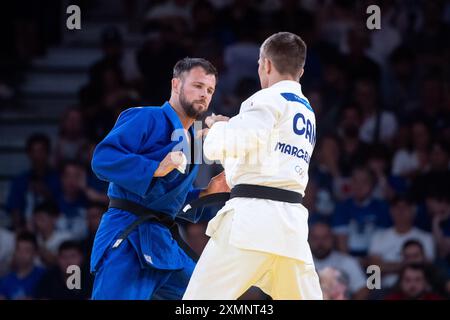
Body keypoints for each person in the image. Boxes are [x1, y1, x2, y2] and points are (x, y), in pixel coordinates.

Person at [183, 32, 323, 300]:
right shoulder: (306, 111)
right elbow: (256, 159)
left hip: (250, 225)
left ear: (266, 65)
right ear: (301, 71)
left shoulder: (265, 99)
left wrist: (217, 127)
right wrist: (232, 126)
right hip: (290, 228)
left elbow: (226, 145)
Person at [90, 57, 229, 299]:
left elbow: (166, 199)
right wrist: (154, 167)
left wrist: (207, 193)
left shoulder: (193, 140)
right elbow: (102, 159)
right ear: (176, 85)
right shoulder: (146, 117)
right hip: (129, 237)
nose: (204, 94)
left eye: (209, 90)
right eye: (197, 86)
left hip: (163, 243)